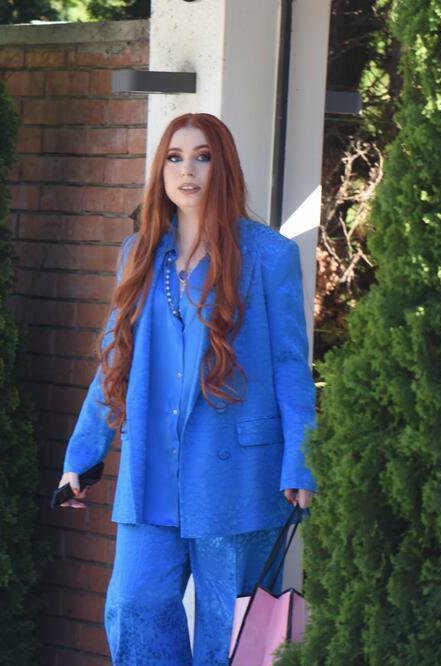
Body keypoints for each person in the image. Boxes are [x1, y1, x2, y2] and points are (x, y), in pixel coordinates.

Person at [56, 112, 316, 665]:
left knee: (229, 633)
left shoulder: (269, 255)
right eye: (174, 157)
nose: (187, 170)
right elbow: (115, 359)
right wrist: (82, 456)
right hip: (152, 469)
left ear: (224, 167)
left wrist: (301, 460)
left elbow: (292, 366)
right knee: (134, 606)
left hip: (238, 475)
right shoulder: (140, 253)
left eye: (202, 157)